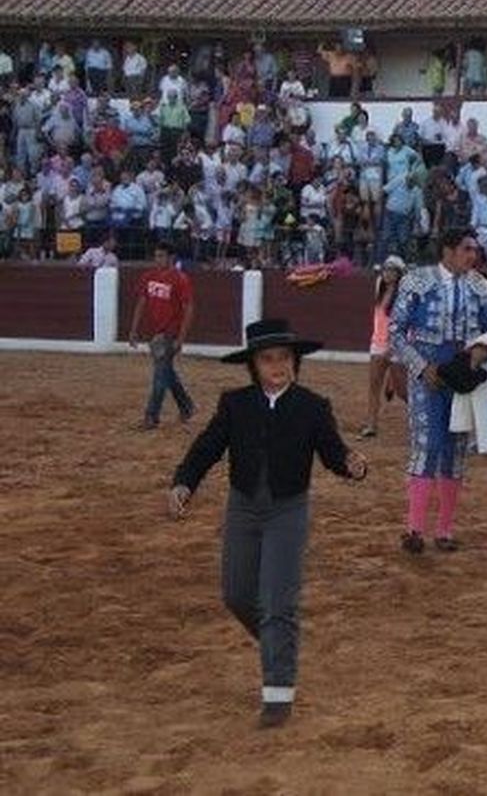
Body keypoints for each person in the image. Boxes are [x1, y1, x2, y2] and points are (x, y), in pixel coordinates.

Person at [167, 319, 369, 728]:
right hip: (242, 507)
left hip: (287, 510)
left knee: (278, 601)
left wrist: (353, 466)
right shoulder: (235, 403)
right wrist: (183, 482)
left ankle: (278, 694)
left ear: (295, 362)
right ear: (254, 366)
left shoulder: (313, 406)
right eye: (267, 359)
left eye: (284, 358)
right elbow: (207, 447)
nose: (278, 365)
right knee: (237, 594)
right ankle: (280, 642)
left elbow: (332, 454)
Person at [387, 229, 487, 554]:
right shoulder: (417, 280)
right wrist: (420, 367)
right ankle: (414, 529)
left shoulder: (480, 285)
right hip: (427, 371)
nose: (473, 256)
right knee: (427, 445)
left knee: (454, 449)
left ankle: (444, 530)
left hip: (462, 370)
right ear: (448, 251)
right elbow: (395, 331)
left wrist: (482, 352)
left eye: (475, 250)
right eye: (467, 250)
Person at [128, 240, 196, 430]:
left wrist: (180, 339)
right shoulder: (149, 277)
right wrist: (134, 330)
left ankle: (151, 417)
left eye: (161, 256)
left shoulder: (180, 279)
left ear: (171, 258)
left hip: (170, 334)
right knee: (166, 373)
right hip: (155, 332)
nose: (157, 259)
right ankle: (186, 406)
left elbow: (189, 309)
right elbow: (141, 303)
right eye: (156, 256)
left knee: (159, 376)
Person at [360, 256, 407, 438]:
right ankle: (371, 425)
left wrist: (393, 347)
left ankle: (422, 420)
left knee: (403, 391)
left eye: (392, 270)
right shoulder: (379, 287)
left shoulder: (403, 295)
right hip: (377, 343)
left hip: (395, 347)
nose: (387, 273)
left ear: (399, 274)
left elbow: (404, 325)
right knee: (373, 386)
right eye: (386, 269)